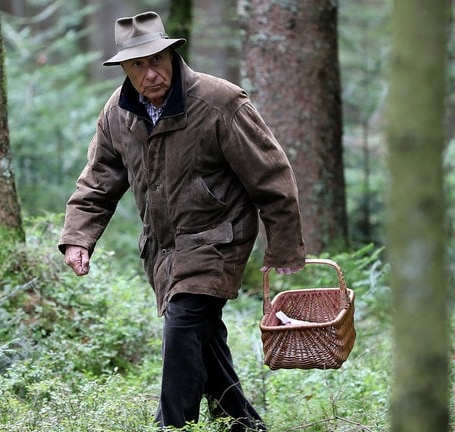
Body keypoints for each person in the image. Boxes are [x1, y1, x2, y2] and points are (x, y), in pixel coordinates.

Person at [58, 11, 306, 431]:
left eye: (157, 60)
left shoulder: (219, 102)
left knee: (184, 325)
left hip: (218, 239)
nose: (150, 73)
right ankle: (243, 424)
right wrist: (79, 237)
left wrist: (283, 244)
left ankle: (171, 426)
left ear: (173, 54)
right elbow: (98, 181)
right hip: (163, 248)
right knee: (204, 340)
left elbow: (270, 173)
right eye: (137, 64)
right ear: (124, 68)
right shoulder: (118, 114)